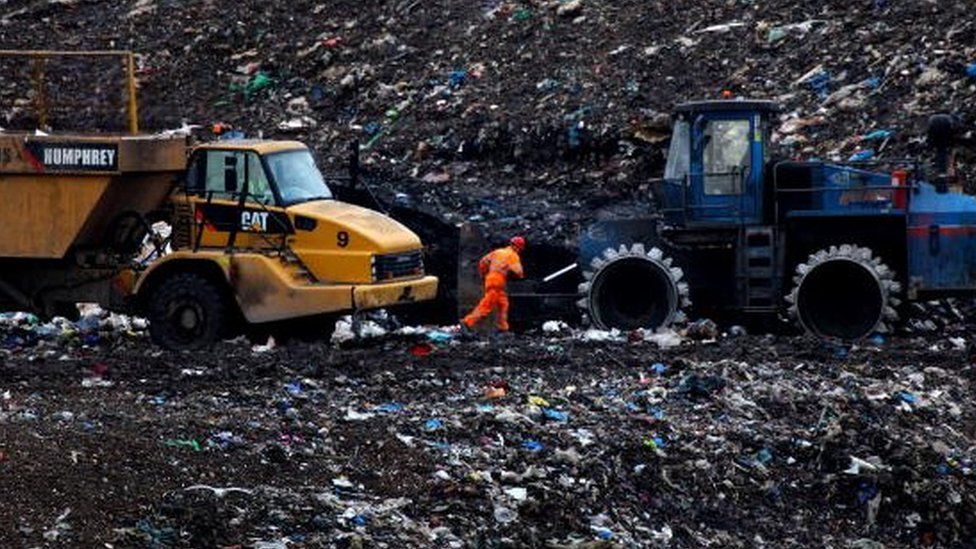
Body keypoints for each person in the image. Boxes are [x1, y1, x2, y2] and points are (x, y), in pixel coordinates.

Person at [462, 236, 526, 332]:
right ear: (518, 247)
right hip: (498, 280)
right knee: (487, 304)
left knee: (503, 303)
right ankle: (467, 322)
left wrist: (483, 274)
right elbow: (519, 272)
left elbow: (483, 261)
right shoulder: (513, 255)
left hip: (491, 278)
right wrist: (520, 276)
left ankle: (503, 328)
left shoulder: (497, 252)